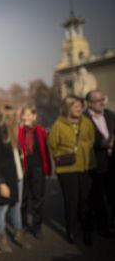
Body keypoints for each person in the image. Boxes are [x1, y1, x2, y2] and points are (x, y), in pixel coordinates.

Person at [48, 95, 95, 245]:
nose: (79, 109)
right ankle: (72, 231)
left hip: (86, 166)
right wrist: (63, 155)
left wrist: (83, 147)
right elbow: (52, 145)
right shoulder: (58, 125)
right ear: (68, 107)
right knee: (72, 201)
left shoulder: (87, 122)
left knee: (86, 201)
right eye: (75, 106)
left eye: (80, 106)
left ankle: (87, 231)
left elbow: (91, 139)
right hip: (67, 169)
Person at [0, 105, 31, 252]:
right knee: (2, 208)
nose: (17, 118)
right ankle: (0, 234)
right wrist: (1, 183)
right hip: (5, 180)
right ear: (8, 117)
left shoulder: (12, 132)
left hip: (17, 177)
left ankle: (19, 233)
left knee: (16, 205)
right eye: (14, 116)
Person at [84, 90, 115, 236]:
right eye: (97, 100)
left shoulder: (109, 114)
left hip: (112, 162)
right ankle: (103, 227)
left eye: (102, 99)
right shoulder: (83, 118)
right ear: (89, 103)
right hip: (95, 163)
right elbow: (84, 140)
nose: (101, 102)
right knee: (97, 197)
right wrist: (103, 143)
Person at [18, 105, 51, 239]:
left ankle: (37, 227)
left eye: (29, 114)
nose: (26, 117)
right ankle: (24, 225)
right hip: (23, 168)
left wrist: (48, 167)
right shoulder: (18, 131)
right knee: (23, 199)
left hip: (37, 168)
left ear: (34, 116)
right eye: (24, 114)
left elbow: (46, 150)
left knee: (38, 198)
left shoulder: (40, 130)